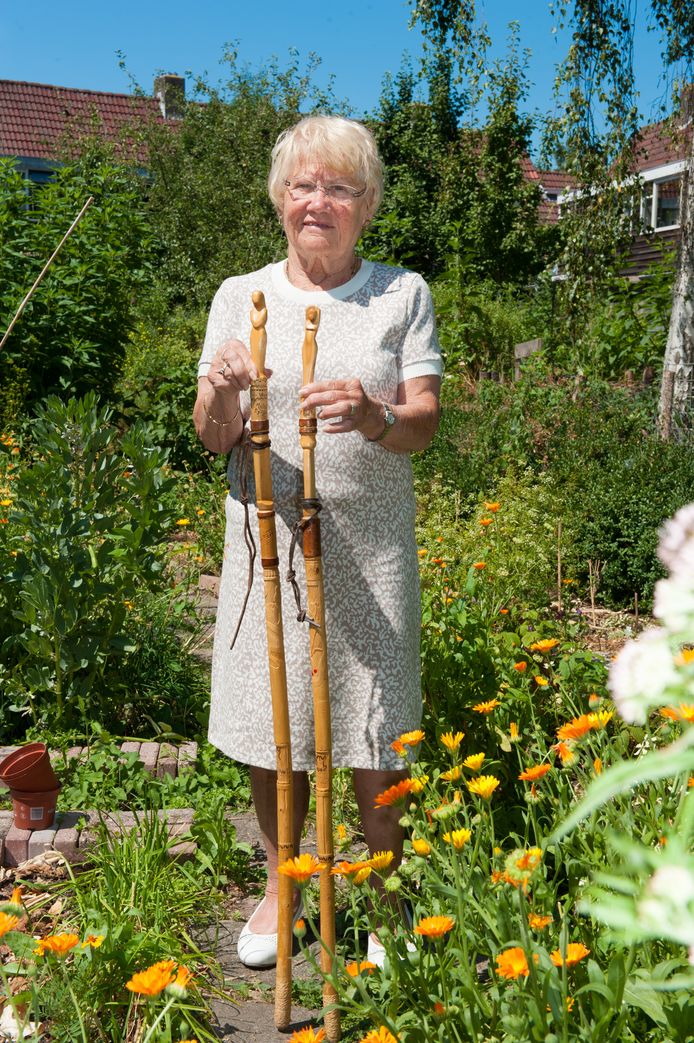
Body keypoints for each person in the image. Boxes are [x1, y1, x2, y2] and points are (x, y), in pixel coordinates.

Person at [193, 114, 442, 968]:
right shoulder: (242, 296)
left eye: (339, 188)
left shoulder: (401, 294)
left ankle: (387, 894)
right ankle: (284, 885)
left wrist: (375, 416)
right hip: (268, 547)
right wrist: (222, 387)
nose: (318, 203)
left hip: (371, 545)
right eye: (303, 185)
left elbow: (424, 422)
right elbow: (213, 435)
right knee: (274, 719)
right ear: (279, 198)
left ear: (366, 205)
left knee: (376, 721)